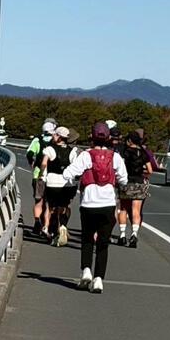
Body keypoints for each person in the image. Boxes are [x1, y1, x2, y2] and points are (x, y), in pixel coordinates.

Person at [63, 121, 128, 294]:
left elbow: (68, 173)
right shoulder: (115, 157)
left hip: (88, 204)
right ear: (108, 137)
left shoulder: (86, 155)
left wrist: (75, 181)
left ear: (92, 136)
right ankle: (99, 279)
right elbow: (124, 179)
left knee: (87, 239)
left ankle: (86, 271)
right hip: (107, 204)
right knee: (103, 243)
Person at [40, 126, 77, 246]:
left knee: (49, 206)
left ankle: (46, 227)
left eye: (55, 135)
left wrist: (42, 175)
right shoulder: (73, 151)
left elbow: (44, 163)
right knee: (64, 206)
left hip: (52, 182)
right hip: (68, 183)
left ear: (59, 137)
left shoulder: (50, 149)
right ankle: (62, 226)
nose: (53, 137)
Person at [115, 130, 154, 247]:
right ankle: (134, 234)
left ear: (129, 140)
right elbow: (150, 170)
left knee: (123, 209)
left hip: (126, 182)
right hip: (139, 182)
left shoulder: (125, 152)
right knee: (136, 210)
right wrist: (144, 174)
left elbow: (119, 168)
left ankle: (122, 235)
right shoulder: (143, 153)